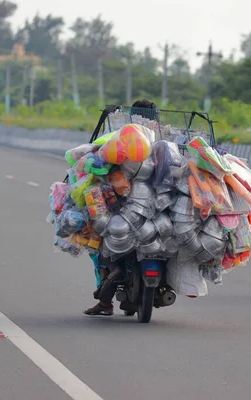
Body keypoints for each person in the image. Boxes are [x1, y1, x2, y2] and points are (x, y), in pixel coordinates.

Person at [84, 99, 159, 316]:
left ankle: (105, 302)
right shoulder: (165, 137)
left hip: (127, 206)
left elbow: (103, 164)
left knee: (100, 246)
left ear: (132, 114)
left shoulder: (123, 137)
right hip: (153, 207)